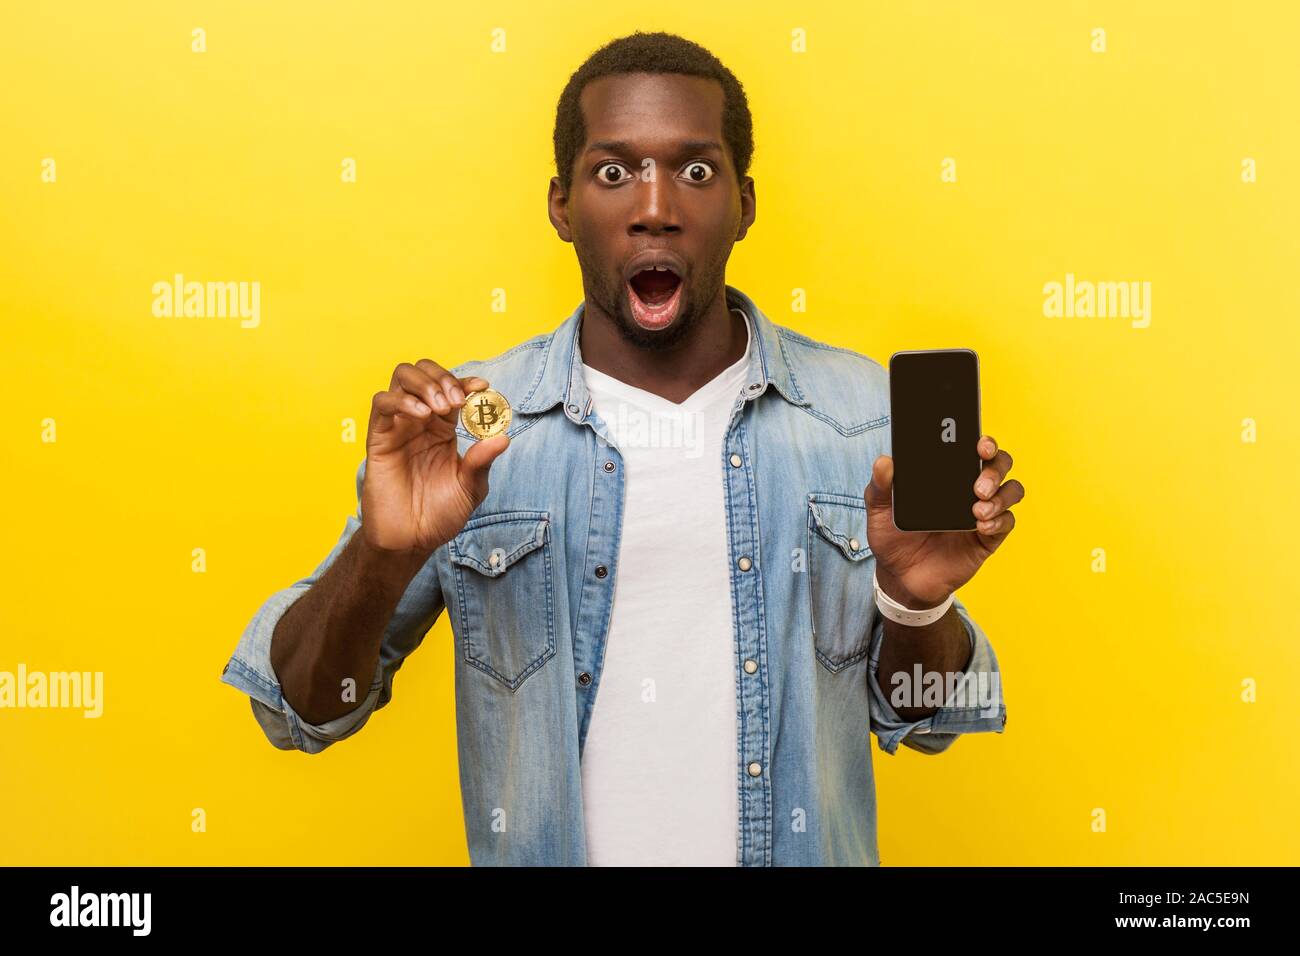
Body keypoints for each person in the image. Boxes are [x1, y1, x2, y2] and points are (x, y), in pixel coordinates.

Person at [220, 30, 1020, 866]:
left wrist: (916, 606)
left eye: (696, 170)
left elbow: (932, 721)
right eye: (613, 172)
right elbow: (300, 710)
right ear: (561, 205)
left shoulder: (858, 417)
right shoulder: (473, 426)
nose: (655, 206)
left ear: (745, 203)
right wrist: (384, 556)